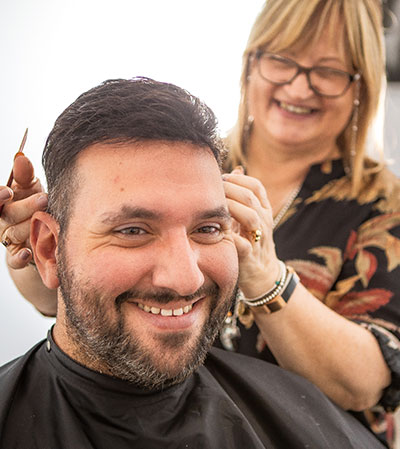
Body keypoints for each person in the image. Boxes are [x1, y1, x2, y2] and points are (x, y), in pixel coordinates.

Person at [1, 0, 400, 446]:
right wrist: (38, 256)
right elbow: (91, 307)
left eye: (329, 72)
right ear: (251, 65)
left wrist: (265, 274)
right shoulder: (192, 159)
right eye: (282, 61)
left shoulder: (384, 206)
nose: (299, 87)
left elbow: (367, 384)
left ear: (362, 85)